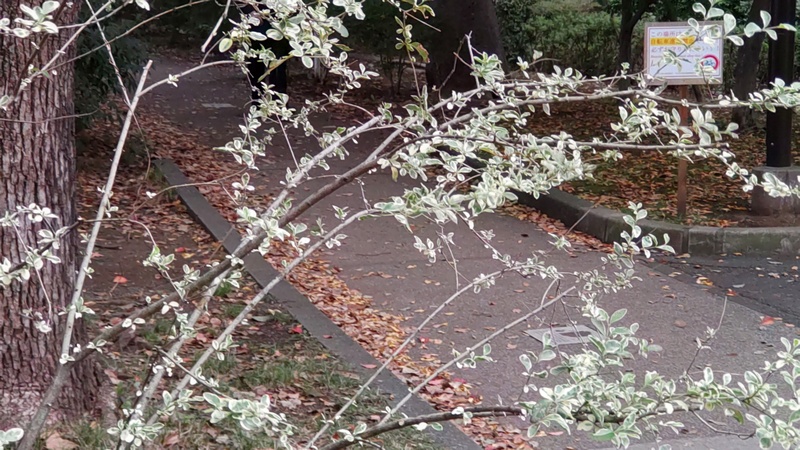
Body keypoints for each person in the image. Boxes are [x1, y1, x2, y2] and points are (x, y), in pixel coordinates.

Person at [236, 1, 290, 100]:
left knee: (279, 67)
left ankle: (279, 103)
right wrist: (250, 11)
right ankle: (257, 102)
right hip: (257, 24)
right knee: (255, 66)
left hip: (279, 23)